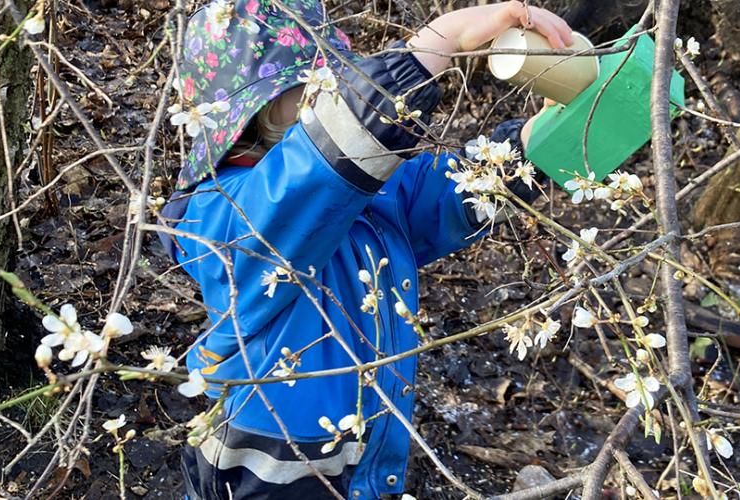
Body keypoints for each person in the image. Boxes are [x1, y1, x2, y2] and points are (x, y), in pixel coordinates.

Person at [162, 1, 572, 498]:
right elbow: (305, 181)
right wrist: (437, 41)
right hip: (265, 477)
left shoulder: (359, 192)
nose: (335, 86)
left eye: (339, 75)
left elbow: (440, 193)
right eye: (317, 80)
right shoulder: (224, 214)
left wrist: (539, 139)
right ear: (261, 109)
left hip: (361, 461)